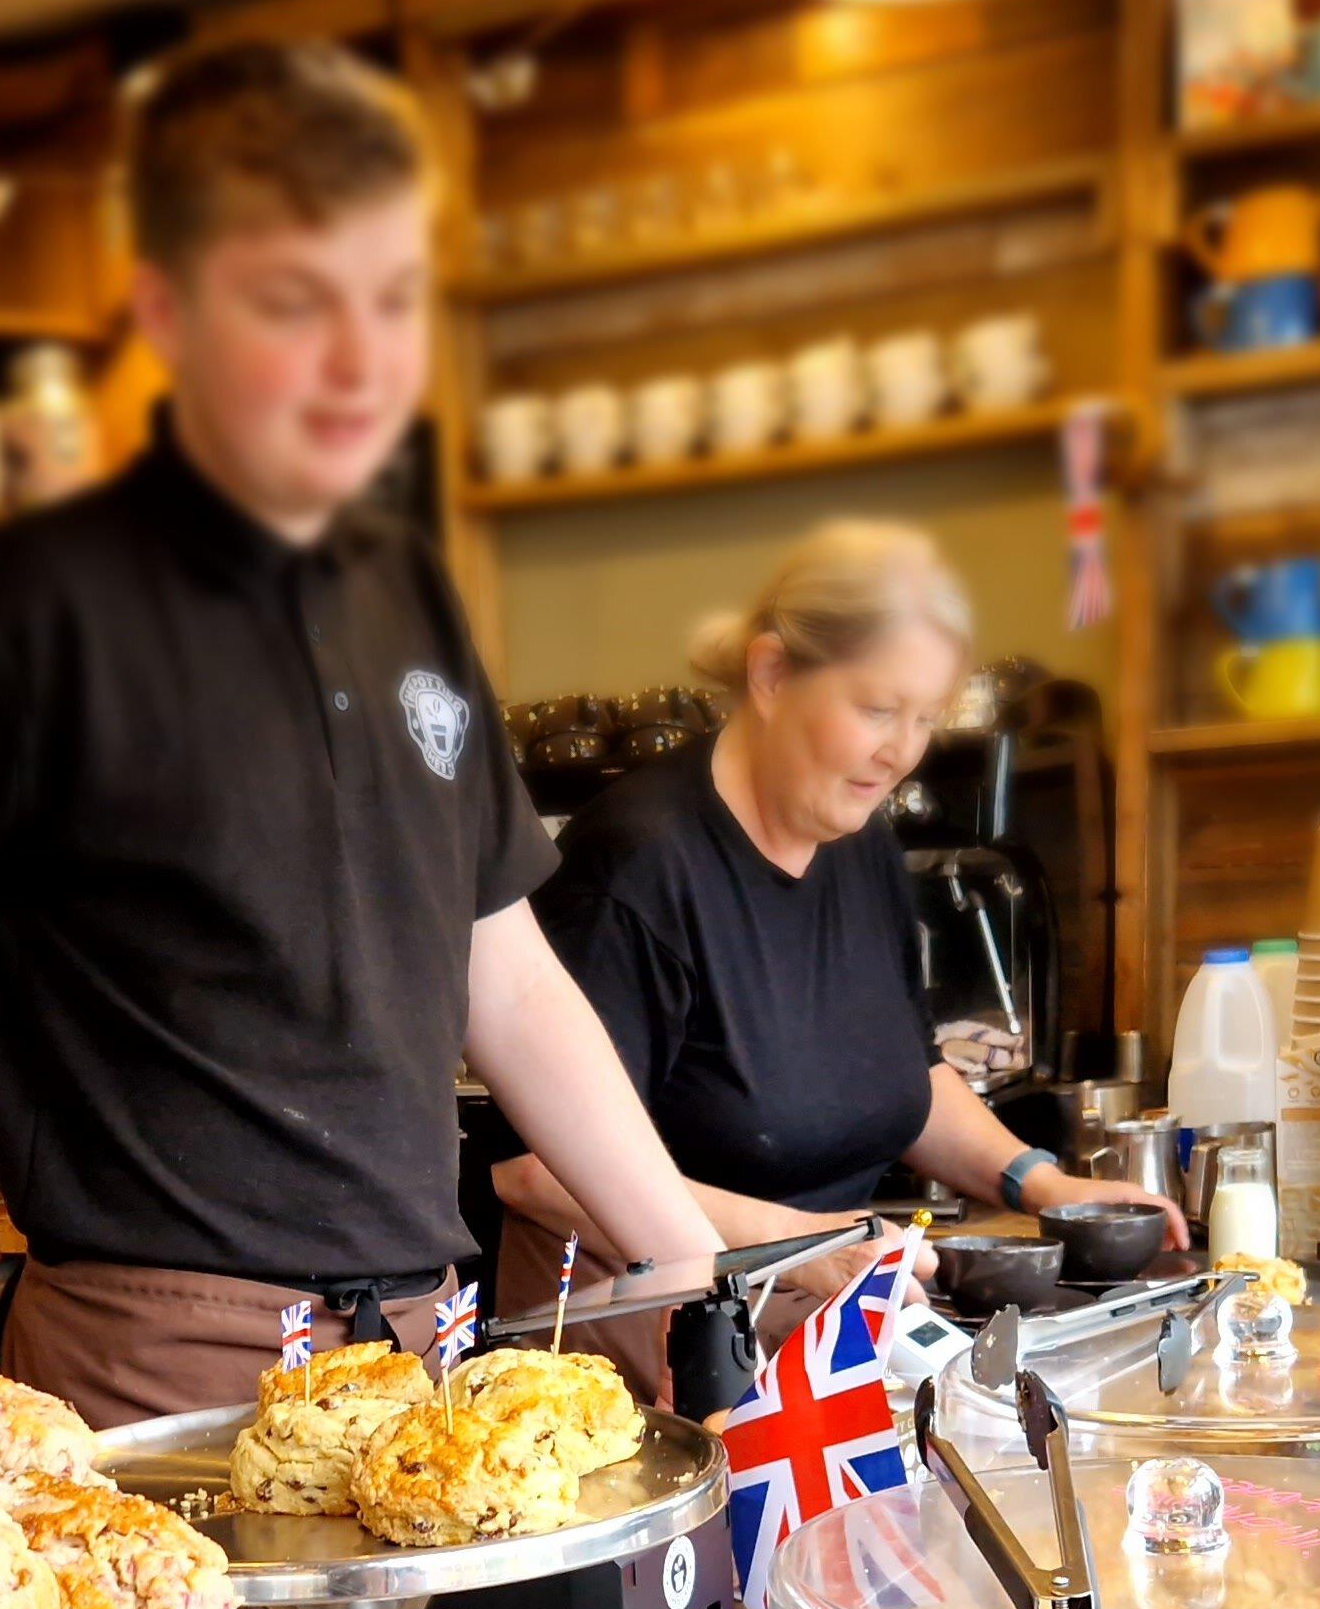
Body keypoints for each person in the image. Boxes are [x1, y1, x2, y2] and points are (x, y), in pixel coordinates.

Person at [0, 42, 721, 1424]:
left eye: (392, 300)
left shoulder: (405, 589)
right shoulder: (29, 613)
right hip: (153, 1386)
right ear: (168, 312)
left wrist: (698, 1269)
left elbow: (507, 982)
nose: (359, 361)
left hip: (423, 1360)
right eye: (294, 303)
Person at [488, 522, 1173, 1397]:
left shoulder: (856, 840)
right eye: (879, 709)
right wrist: (808, 1245)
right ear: (771, 675)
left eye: (926, 718)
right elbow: (537, 1170)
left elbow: (903, 1073)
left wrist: (1041, 1182)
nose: (902, 751)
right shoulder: (638, 865)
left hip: (813, 1302)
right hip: (636, 1332)